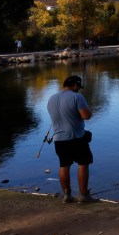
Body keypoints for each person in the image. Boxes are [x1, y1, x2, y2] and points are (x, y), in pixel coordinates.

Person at [47, 76, 98, 204]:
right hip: (76, 138)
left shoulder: (51, 99)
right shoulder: (77, 97)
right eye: (79, 87)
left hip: (58, 139)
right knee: (83, 163)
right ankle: (83, 195)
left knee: (64, 165)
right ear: (75, 85)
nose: (79, 90)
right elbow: (86, 116)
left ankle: (67, 196)